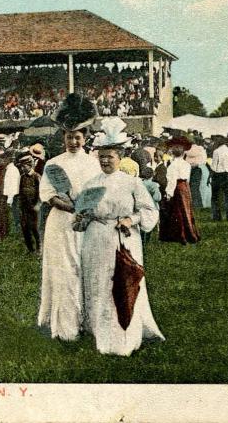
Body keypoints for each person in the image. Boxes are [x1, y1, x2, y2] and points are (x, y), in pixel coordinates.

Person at [76, 123, 165, 356]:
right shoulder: (91, 183)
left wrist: (131, 220)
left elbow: (149, 211)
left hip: (122, 238)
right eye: (102, 157)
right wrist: (81, 220)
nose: (105, 161)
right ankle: (98, 330)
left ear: (121, 156)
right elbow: (83, 212)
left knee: (122, 283)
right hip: (95, 238)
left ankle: (123, 335)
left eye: (110, 157)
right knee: (98, 283)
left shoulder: (131, 183)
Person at [37, 93, 102, 341]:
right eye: (69, 137)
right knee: (64, 268)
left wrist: (85, 211)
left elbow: (96, 191)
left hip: (85, 223)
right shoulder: (54, 163)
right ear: (63, 138)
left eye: (77, 137)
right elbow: (49, 195)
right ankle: (65, 325)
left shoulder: (93, 163)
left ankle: (88, 320)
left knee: (85, 267)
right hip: (61, 222)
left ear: (85, 138)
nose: (73, 141)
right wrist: (70, 208)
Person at [159, 137, 201, 244]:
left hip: (177, 187)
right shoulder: (186, 164)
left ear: (173, 153)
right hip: (185, 187)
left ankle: (180, 234)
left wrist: (168, 193)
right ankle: (190, 233)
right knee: (186, 209)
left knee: (177, 211)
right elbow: (187, 178)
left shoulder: (172, 165)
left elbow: (172, 180)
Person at [16, 150, 41, 255]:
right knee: (25, 228)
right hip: (25, 207)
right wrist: (20, 204)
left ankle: (39, 248)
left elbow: (41, 192)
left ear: (30, 165)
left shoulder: (36, 176)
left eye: (24, 166)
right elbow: (21, 191)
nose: (22, 169)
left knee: (35, 228)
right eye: (21, 167)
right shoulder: (22, 177)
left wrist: (38, 204)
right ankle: (30, 249)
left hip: (34, 206)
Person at [209, 135, 228, 222]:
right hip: (226, 174)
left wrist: (210, 177)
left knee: (215, 196)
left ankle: (217, 216)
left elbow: (213, 166)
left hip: (217, 174)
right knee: (227, 196)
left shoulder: (216, 151)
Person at [139, 166, 161, 244]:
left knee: (142, 224)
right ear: (152, 175)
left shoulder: (139, 184)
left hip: (141, 207)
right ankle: (147, 241)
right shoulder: (154, 185)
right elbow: (157, 198)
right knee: (150, 224)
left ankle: (142, 240)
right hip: (152, 207)